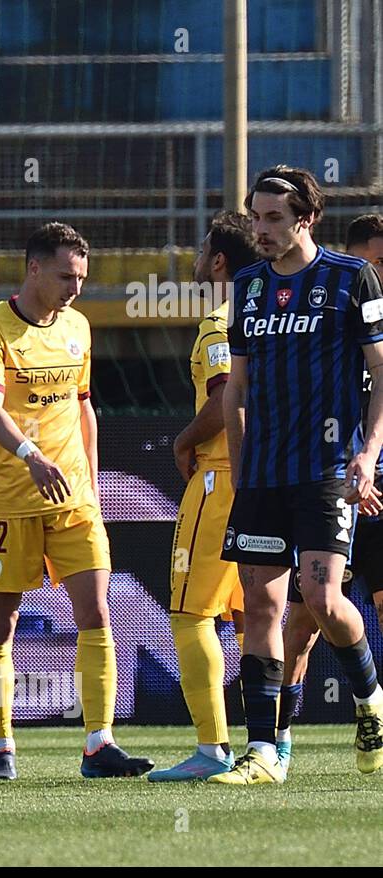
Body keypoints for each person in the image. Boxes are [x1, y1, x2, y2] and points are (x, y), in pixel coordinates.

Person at [0, 221, 154, 781]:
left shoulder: (78, 327)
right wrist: (29, 454)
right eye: (66, 275)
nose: (76, 287)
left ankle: (99, 742)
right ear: (34, 269)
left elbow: (83, 407)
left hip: (73, 499)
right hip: (9, 499)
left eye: (82, 277)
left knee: (97, 611)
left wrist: (93, 486)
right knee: (1, 621)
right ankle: (1, 744)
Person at [215, 166, 383, 785]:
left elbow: (381, 371)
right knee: (259, 606)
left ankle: (370, 700)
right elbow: (236, 386)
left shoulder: (349, 277)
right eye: (255, 217)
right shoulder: (249, 286)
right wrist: (239, 468)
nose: (260, 229)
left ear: (306, 220)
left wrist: (366, 454)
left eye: (274, 218)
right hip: (263, 476)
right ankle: (262, 753)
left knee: (321, 599)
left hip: (326, 469)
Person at [148, 212, 259, 781]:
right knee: (254, 618)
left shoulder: (221, 321)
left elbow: (223, 402)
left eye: (201, 249)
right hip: (265, 481)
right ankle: (270, 744)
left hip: (220, 480)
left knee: (191, 615)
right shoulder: (267, 316)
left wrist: (183, 439)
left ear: (219, 260)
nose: (193, 257)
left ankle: (212, 747)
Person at [274, 211, 383, 775]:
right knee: (302, 623)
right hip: (329, 482)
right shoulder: (327, 317)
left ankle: (374, 719)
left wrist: (369, 464)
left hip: (374, 488)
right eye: (377, 261)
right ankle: (280, 742)